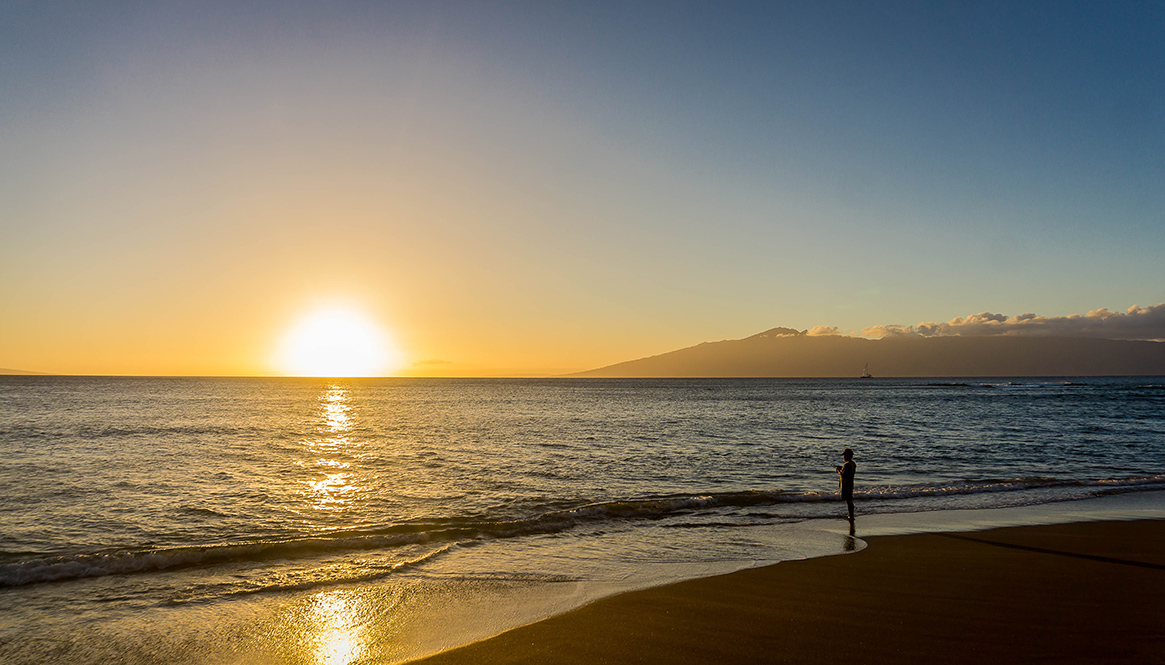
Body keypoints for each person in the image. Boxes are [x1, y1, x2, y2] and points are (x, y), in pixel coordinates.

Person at [835, 447, 856, 522]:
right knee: (849, 500)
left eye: (844, 455)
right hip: (850, 484)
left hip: (846, 485)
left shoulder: (847, 465)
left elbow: (843, 474)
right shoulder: (852, 464)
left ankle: (851, 516)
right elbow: (847, 472)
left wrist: (838, 471)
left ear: (846, 456)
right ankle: (851, 515)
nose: (843, 457)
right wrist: (842, 468)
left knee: (848, 500)